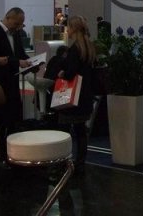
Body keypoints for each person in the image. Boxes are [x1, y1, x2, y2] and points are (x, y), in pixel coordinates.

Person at [0, 7, 31, 162]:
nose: (18, 27)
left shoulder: (15, 33)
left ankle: (14, 153)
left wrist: (31, 62)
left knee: (13, 118)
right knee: (0, 120)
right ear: (8, 17)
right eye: (17, 23)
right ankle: (1, 154)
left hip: (13, 81)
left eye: (20, 24)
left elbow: (20, 53)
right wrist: (17, 62)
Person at [56, 15, 96, 174]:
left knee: (64, 131)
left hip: (72, 97)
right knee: (80, 131)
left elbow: (70, 72)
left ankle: (64, 161)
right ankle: (80, 163)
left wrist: (62, 73)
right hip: (85, 95)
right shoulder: (89, 47)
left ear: (73, 28)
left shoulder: (74, 49)